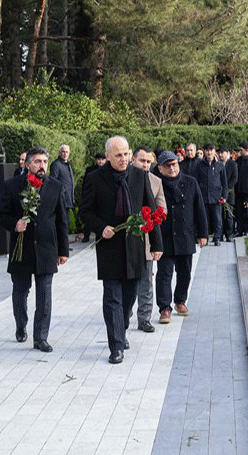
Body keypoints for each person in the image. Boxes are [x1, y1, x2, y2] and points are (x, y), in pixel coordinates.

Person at [79, 136, 162, 365]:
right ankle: (115, 346)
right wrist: (100, 227)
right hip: (110, 247)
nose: (124, 159)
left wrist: (157, 244)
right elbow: (84, 212)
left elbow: (151, 210)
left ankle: (122, 327)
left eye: (126, 154)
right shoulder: (95, 179)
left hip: (135, 246)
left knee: (129, 295)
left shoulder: (139, 175)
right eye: (118, 155)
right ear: (107, 157)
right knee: (112, 297)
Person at [0, 147, 69, 353]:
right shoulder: (12, 186)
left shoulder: (55, 186)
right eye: (37, 161)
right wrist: (14, 223)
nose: (42, 165)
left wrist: (63, 250)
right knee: (20, 291)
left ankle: (40, 337)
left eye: (45, 161)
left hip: (46, 248)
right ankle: (21, 324)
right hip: (22, 248)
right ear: (28, 165)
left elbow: (62, 220)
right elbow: (0, 215)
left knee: (45, 294)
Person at [153, 151, 208, 324]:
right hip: (165, 235)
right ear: (160, 168)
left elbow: (199, 208)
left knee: (184, 272)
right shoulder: (156, 183)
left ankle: (180, 301)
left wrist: (203, 233)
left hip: (185, 234)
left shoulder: (190, 182)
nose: (172, 168)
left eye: (174, 164)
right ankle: (164, 308)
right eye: (167, 165)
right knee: (164, 274)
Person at [130, 146, 167, 333]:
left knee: (146, 281)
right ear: (133, 160)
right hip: (126, 239)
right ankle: (125, 312)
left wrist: (151, 218)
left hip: (146, 237)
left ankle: (144, 318)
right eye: (142, 161)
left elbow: (161, 209)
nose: (145, 165)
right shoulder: (124, 179)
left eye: (148, 162)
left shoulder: (156, 181)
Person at [193, 143, 228, 246]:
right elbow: (196, 181)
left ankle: (217, 238)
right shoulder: (200, 165)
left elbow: (224, 183)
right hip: (203, 196)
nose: (209, 152)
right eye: (207, 150)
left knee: (217, 219)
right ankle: (205, 237)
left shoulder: (220, 165)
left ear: (214, 151)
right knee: (205, 219)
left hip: (216, 197)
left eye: (211, 150)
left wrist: (224, 196)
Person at [80, 153, 107, 242]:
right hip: (91, 196)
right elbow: (85, 183)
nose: (100, 161)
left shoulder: (107, 170)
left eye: (102, 159)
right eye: (98, 159)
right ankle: (86, 235)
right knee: (89, 215)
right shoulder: (90, 170)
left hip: (102, 197)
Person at [49, 143, 75, 225]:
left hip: (68, 199)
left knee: (66, 223)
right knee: (62, 224)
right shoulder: (56, 165)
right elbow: (53, 182)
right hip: (60, 200)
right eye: (63, 152)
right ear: (59, 152)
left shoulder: (68, 165)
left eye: (67, 152)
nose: (65, 154)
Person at [218, 146, 237, 241]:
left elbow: (234, 178)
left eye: (222, 152)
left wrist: (225, 188)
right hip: (218, 193)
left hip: (229, 193)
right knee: (219, 216)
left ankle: (229, 234)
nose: (220, 155)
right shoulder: (217, 164)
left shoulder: (233, 164)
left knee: (229, 215)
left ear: (227, 153)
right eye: (219, 153)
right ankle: (220, 235)